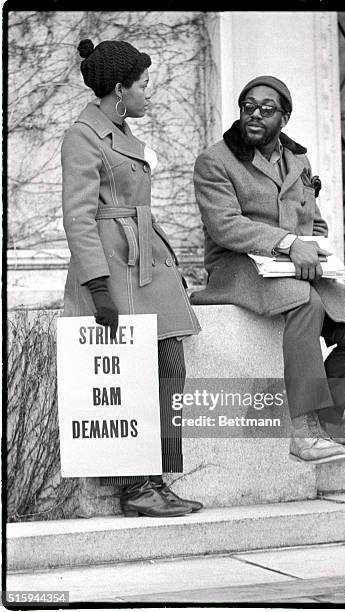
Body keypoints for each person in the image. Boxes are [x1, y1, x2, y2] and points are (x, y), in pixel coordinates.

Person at [191, 75, 345, 464]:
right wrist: (289, 244)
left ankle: (324, 423)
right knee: (304, 303)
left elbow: (315, 222)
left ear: (285, 118)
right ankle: (302, 431)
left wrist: (318, 251)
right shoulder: (215, 160)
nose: (255, 114)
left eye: (266, 108)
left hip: (294, 266)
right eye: (248, 107)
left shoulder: (299, 161)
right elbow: (224, 225)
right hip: (239, 266)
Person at [61, 38, 202, 517]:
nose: (150, 94)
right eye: (143, 85)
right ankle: (136, 486)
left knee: (170, 369)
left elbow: (139, 205)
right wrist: (97, 285)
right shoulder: (83, 136)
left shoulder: (121, 132)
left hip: (146, 264)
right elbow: (79, 217)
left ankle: (157, 478)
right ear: (119, 89)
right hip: (114, 270)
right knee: (132, 377)